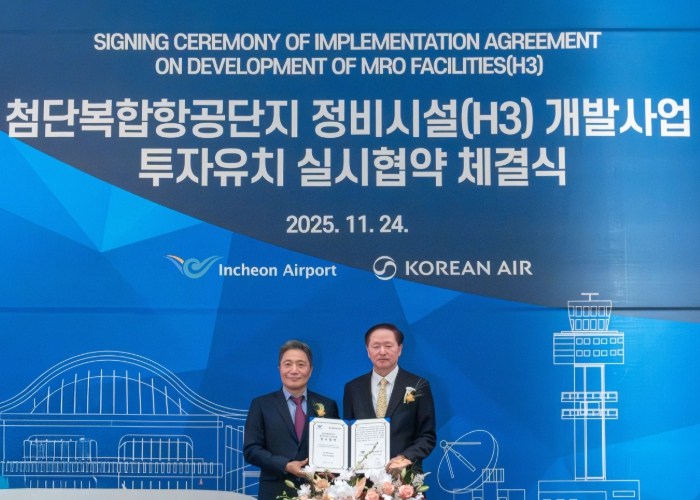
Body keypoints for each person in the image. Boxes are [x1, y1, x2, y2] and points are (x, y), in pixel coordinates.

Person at [244, 340, 339, 500]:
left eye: (301, 365)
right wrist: (285, 465)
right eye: (287, 364)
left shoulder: (328, 405)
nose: (294, 370)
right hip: (275, 492)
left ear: (310, 370)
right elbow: (251, 450)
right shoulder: (261, 404)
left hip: (317, 492)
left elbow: (336, 450)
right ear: (279, 368)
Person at [343, 323, 436, 471]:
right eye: (376, 346)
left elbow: (427, 436)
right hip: (363, 477)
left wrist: (405, 457)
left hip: (404, 476)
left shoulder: (418, 385)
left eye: (388, 346)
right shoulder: (353, 388)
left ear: (399, 349)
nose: (382, 352)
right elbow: (348, 435)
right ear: (368, 350)